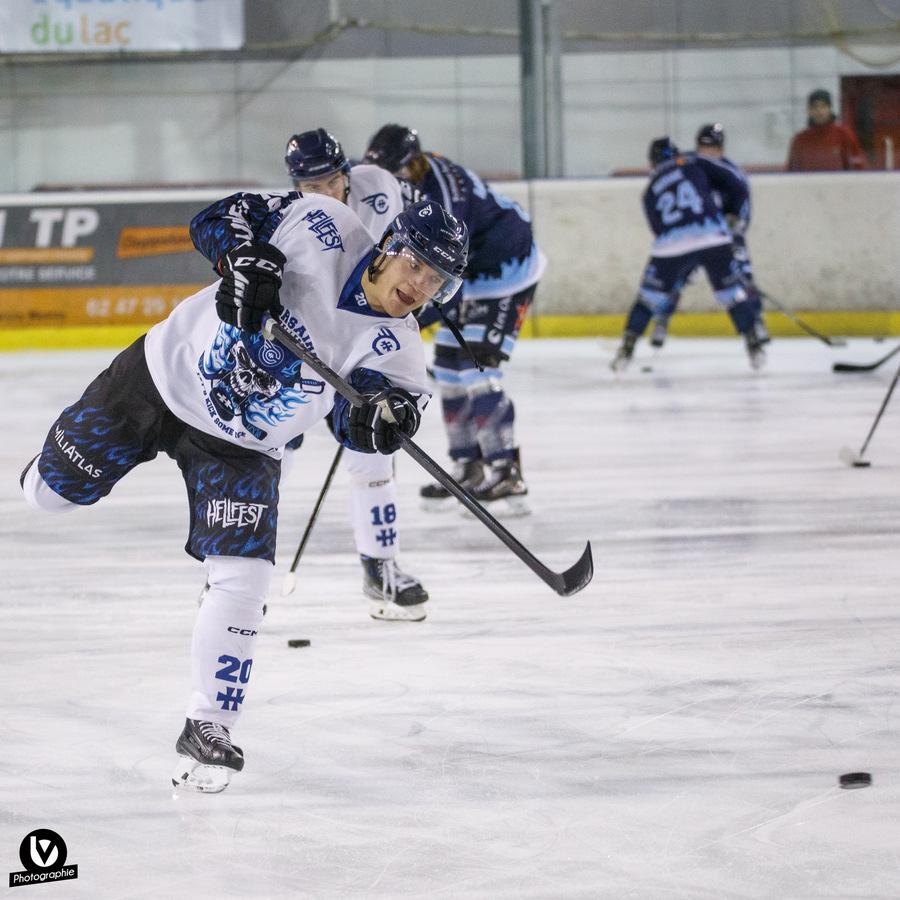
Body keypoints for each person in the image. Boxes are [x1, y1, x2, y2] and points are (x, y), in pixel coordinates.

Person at [20, 194, 468, 793]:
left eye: (437, 280)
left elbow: (359, 419)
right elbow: (215, 219)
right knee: (48, 495)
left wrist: (375, 422)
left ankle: (208, 724)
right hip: (160, 377)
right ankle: (46, 469)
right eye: (416, 265)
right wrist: (243, 258)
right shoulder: (322, 223)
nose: (420, 286)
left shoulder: (400, 351)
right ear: (391, 245)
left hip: (241, 447)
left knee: (246, 577)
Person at [251, 127, 426, 621]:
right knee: (271, 458)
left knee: (373, 451)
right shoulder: (290, 219)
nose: (327, 193)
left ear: (347, 173)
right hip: (302, 349)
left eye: (333, 180)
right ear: (296, 186)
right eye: (313, 186)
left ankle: (381, 569)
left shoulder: (380, 187)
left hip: (362, 350)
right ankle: (237, 576)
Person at [364, 124, 547, 517]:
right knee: (448, 370)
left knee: (478, 368)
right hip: (467, 273)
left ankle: (507, 470)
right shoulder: (414, 183)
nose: (389, 180)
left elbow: (446, 279)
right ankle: (468, 465)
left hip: (506, 272)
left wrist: (404, 322)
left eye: (396, 171)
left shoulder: (445, 198)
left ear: (414, 164)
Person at [611, 136, 765, 372]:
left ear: (651, 163)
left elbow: (657, 228)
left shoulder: (650, 190)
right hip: (713, 237)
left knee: (648, 299)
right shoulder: (694, 163)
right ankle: (755, 346)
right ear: (678, 154)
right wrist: (733, 215)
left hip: (672, 245)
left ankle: (626, 350)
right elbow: (736, 182)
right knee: (732, 293)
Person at [649, 123, 769, 350]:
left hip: (724, 237)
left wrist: (735, 228)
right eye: (703, 146)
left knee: (742, 275)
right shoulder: (690, 165)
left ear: (721, 149)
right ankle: (661, 320)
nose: (707, 151)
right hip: (694, 234)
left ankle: (755, 321)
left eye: (712, 147)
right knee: (676, 277)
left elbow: (742, 202)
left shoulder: (731, 172)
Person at [786, 88, 867, 172]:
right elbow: (791, 171)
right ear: (809, 111)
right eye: (815, 107)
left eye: (823, 106)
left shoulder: (844, 135)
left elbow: (858, 168)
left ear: (830, 108)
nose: (819, 111)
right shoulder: (800, 140)